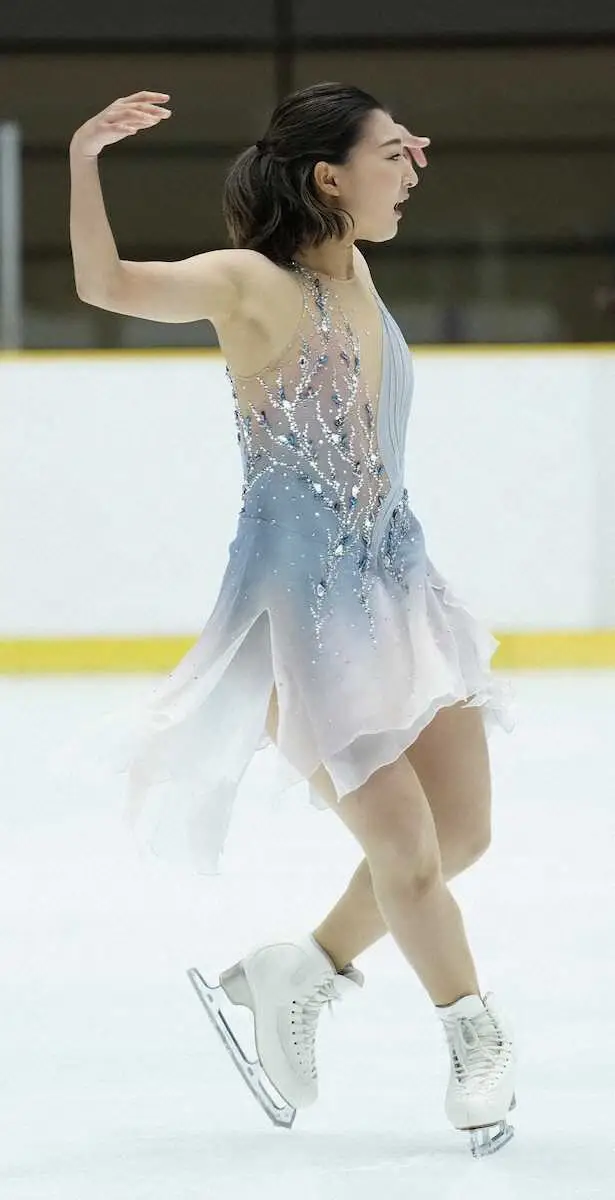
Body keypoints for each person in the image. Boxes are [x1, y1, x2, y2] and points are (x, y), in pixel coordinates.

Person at [67, 81, 516, 1157]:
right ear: (328, 178)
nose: (411, 173)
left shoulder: (352, 260)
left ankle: (295, 970)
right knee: (408, 854)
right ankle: (476, 1039)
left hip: (395, 590)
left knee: (461, 835)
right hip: (301, 626)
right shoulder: (250, 285)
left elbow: (374, 165)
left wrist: (393, 139)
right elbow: (105, 282)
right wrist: (82, 159)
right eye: (391, 160)